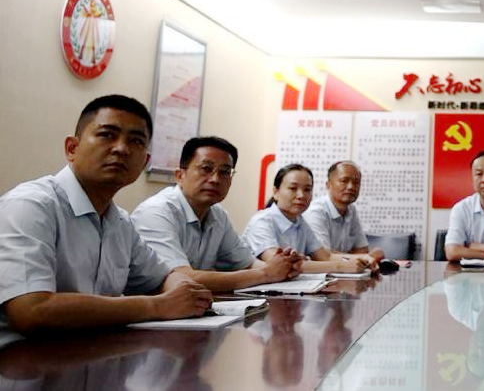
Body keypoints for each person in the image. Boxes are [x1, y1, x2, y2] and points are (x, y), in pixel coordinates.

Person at [0, 95, 212, 337]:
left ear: (145, 161)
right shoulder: (30, 205)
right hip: (19, 356)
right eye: (107, 135)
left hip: (90, 352)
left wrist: (184, 290)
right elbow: (31, 311)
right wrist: (157, 306)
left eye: (135, 141)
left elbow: (162, 277)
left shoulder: (121, 223)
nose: (121, 149)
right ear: (72, 148)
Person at [132, 136, 300, 291]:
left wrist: (285, 266)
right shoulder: (156, 212)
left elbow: (247, 264)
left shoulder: (218, 214)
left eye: (225, 171)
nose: (215, 179)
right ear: (180, 175)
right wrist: (266, 273)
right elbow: (183, 278)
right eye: (206, 168)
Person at [241, 164, 365, 274]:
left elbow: (325, 257)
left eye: (307, 189)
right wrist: (342, 266)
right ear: (275, 192)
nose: (301, 195)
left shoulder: (300, 222)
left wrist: (365, 258)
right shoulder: (262, 222)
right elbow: (282, 265)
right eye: (293, 188)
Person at [302, 161, 384, 268]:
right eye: (344, 181)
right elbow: (322, 256)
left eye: (356, 182)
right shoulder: (316, 211)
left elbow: (362, 249)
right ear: (328, 185)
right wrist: (364, 257)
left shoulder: (351, 210)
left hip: (343, 271)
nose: (351, 187)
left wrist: (361, 257)